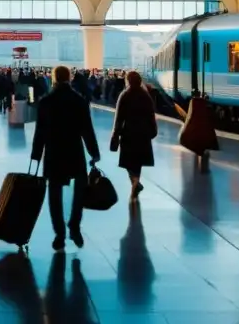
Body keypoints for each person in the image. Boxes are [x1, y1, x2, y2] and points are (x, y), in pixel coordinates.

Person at [31, 65, 101, 252]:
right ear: (69, 78)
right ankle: (74, 225)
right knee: (79, 190)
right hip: (74, 151)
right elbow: (87, 129)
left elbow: (40, 131)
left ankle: (59, 234)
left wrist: (36, 154)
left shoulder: (46, 101)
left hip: (53, 152)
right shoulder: (78, 100)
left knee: (54, 193)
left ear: (53, 78)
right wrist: (94, 152)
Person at [110, 71, 157, 201]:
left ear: (128, 81)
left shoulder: (124, 95)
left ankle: (135, 183)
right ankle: (136, 182)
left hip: (128, 133)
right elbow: (151, 115)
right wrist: (153, 130)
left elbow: (119, 118)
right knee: (138, 161)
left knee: (129, 161)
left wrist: (115, 134)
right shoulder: (146, 96)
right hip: (143, 133)